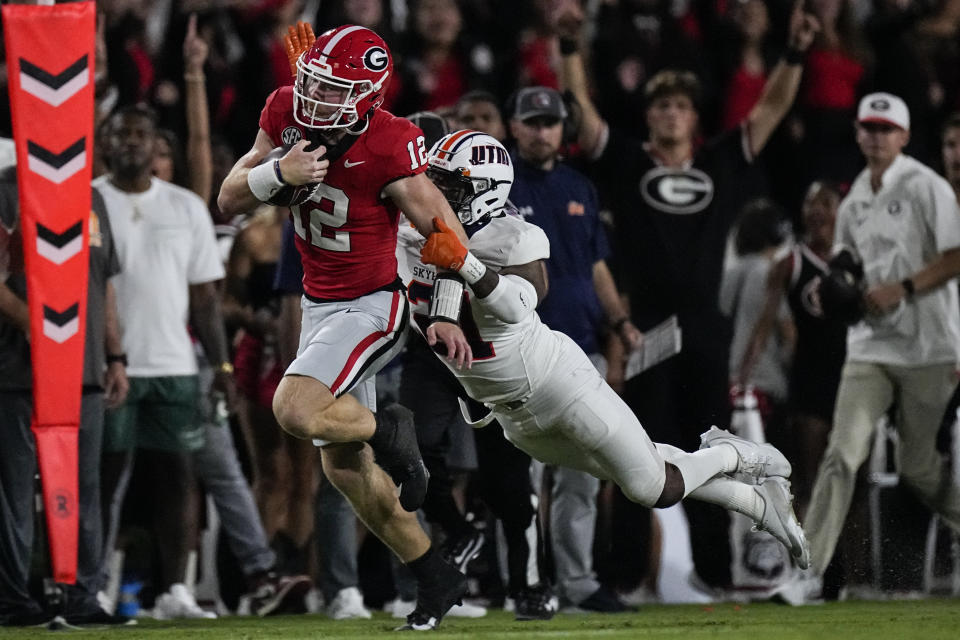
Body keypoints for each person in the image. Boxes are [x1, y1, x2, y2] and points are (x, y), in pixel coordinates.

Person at [398, 132, 811, 594]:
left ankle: (741, 454)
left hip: (559, 385)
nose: (433, 193)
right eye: (432, 179)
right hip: (512, 417)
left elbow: (523, 301)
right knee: (645, 470)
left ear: (485, 190)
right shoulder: (410, 234)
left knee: (652, 488)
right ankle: (760, 505)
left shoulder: (514, 235)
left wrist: (465, 263)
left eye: (448, 184)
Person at [551, 0, 820, 591]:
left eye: (680, 105)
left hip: (705, 327)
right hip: (644, 327)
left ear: (694, 117)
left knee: (710, 447)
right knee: (633, 451)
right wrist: (569, 49)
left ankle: (717, 574)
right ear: (649, 116)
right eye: (662, 105)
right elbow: (584, 114)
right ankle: (621, 581)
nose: (671, 114)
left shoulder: (720, 162)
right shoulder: (626, 160)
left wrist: (795, 52)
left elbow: (772, 108)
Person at [217, 24, 474, 631]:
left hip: (372, 304)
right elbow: (228, 199)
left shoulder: (391, 144)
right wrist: (276, 175)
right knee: (343, 467)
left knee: (295, 409)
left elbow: (445, 233)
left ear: (368, 98)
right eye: (312, 82)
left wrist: (443, 307)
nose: (314, 99)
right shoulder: (285, 111)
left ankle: (392, 427)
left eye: (332, 91)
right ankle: (436, 573)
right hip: (317, 304)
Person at [777, 93, 960, 604]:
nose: (876, 137)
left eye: (886, 129)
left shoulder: (928, 187)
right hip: (871, 348)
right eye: (868, 129)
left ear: (903, 137)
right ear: (858, 134)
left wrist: (902, 287)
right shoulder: (856, 194)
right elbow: (847, 258)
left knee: (919, 469)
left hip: (929, 346)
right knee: (842, 454)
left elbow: (956, 256)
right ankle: (809, 572)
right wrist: (832, 282)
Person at [96, 105, 233, 620]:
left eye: (142, 134)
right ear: (105, 143)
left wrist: (221, 370)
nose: (132, 142)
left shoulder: (185, 206)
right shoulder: (87, 200)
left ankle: (177, 590)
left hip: (174, 364)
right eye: (121, 133)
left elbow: (204, 299)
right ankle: (96, 586)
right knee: (104, 482)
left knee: (179, 478)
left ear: (157, 146)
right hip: (110, 368)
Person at [506, 86, 639, 612]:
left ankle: (578, 583)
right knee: (524, 481)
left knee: (582, 477)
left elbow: (596, 266)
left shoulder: (580, 184)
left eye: (550, 122)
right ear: (514, 127)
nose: (542, 131)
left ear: (563, 128)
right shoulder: (498, 182)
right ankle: (522, 583)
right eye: (532, 122)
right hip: (522, 350)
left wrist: (621, 322)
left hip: (582, 350)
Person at [0, 167, 130, 627]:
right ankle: (12, 601)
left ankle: (82, 598)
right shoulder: (6, 190)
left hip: (84, 372)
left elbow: (104, 282)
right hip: (18, 373)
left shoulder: (92, 198)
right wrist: (39, 331)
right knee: (13, 494)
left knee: (83, 491)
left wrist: (116, 355)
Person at [737, 182, 846, 514]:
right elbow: (765, 325)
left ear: (841, 210)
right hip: (809, 385)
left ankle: (858, 568)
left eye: (825, 203)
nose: (816, 210)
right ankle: (806, 565)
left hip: (853, 382)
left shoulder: (857, 259)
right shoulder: (789, 263)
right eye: (810, 203)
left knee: (851, 488)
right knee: (809, 482)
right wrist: (743, 382)